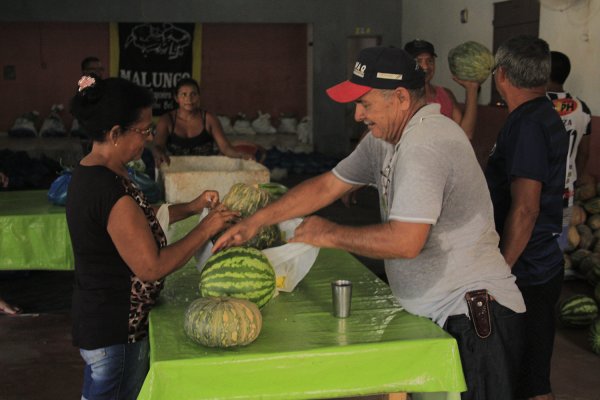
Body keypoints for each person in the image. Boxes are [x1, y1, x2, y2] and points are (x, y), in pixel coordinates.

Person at [214, 46, 526, 400]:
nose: (358, 114)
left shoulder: (425, 144)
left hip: (471, 319)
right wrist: (257, 220)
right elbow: (329, 184)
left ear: (401, 98)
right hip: (436, 315)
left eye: (365, 103)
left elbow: (406, 242)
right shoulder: (386, 138)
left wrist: (330, 232)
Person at [67, 74, 239, 400]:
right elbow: (150, 267)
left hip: (105, 321)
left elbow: (139, 217)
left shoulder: (98, 170)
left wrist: (193, 206)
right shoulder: (107, 189)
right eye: (144, 131)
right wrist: (205, 228)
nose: (148, 138)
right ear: (115, 133)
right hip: (116, 331)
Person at [484, 36, 569, 400]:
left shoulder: (528, 125)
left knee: (530, 382)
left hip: (528, 271)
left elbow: (526, 207)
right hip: (539, 263)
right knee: (530, 375)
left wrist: (501, 269)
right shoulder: (540, 114)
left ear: (502, 74)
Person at [546, 50, 593, 251]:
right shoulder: (582, 108)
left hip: (537, 186)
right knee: (560, 238)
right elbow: (584, 151)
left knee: (534, 238)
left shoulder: (535, 106)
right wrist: (577, 175)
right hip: (566, 187)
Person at [152, 78, 253, 166]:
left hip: (205, 171)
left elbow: (225, 148)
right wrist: (158, 153)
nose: (189, 99)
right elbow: (157, 146)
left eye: (193, 94)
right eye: (184, 94)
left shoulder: (209, 119)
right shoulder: (167, 120)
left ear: (199, 96)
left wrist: (241, 155)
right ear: (176, 98)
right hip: (176, 172)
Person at [404, 39, 480, 140]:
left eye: (430, 61)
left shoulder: (445, 95)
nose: (425, 66)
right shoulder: (401, 98)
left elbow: (465, 135)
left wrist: (472, 89)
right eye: (418, 61)